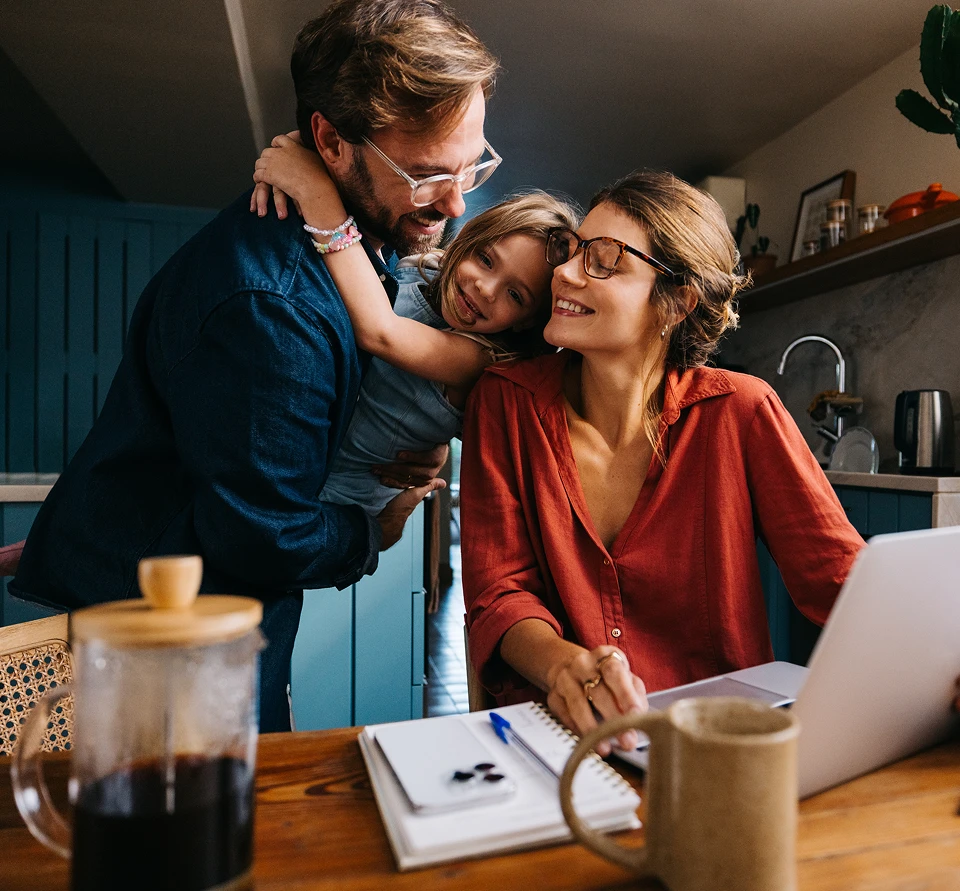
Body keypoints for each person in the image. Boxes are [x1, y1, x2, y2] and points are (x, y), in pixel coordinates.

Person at [11, 0, 499, 732]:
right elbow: (263, 536)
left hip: (198, 617)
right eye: (427, 174)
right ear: (330, 143)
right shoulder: (274, 307)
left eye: (474, 164)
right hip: (174, 653)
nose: (458, 201)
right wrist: (377, 530)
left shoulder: (337, 237)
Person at [461, 171, 866, 755]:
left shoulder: (741, 411)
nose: (566, 273)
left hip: (713, 746)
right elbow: (501, 593)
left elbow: (839, 578)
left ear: (676, 301)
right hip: (558, 743)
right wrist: (564, 668)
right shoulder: (506, 401)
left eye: (603, 261)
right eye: (575, 250)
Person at [250, 135, 578, 515]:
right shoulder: (430, 268)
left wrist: (314, 190)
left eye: (516, 296)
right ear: (469, 242)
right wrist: (307, 148)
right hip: (313, 446)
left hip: (342, 489)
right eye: (486, 259)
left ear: (526, 324)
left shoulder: (479, 357)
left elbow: (381, 331)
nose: (486, 288)